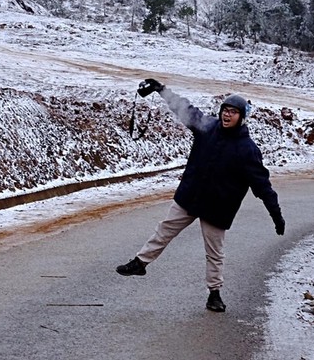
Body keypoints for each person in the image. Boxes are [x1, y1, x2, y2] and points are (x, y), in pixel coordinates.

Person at [116, 78, 285, 313]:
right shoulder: (207, 127)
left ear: (242, 117)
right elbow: (184, 109)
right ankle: (140, 263)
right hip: (191, 197)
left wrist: (276, 215)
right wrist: (160, 89)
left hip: (217, 208)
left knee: (214, 253)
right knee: (164, 230)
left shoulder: (247, 150)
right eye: (225, 110)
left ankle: (214, 294)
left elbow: (262, 186)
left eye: (233, 112)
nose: (227, 115)